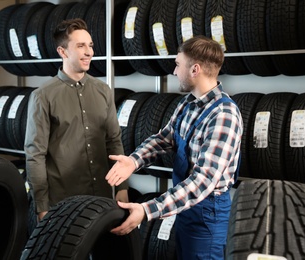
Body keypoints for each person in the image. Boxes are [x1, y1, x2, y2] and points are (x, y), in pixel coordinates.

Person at [106, 35, 243, 259]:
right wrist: (134, 160)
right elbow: (165, 138)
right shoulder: (188, 103)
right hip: (186, 208)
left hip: (207, 215)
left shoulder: (224, 115)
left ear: (195, 69)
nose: (174, 71)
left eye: (178, 64)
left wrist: (146, 210)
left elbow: (202, 182)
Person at [25, 18, 128, 221]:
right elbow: (35, 154)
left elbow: (114, 141)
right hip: (62, 203)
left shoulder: (103, 91)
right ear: (63, 52)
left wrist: (122, 188)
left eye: (90, 45)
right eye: (80, 46)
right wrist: (42, 206)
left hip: (102, 198)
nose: (89, 52)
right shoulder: (42, 96)